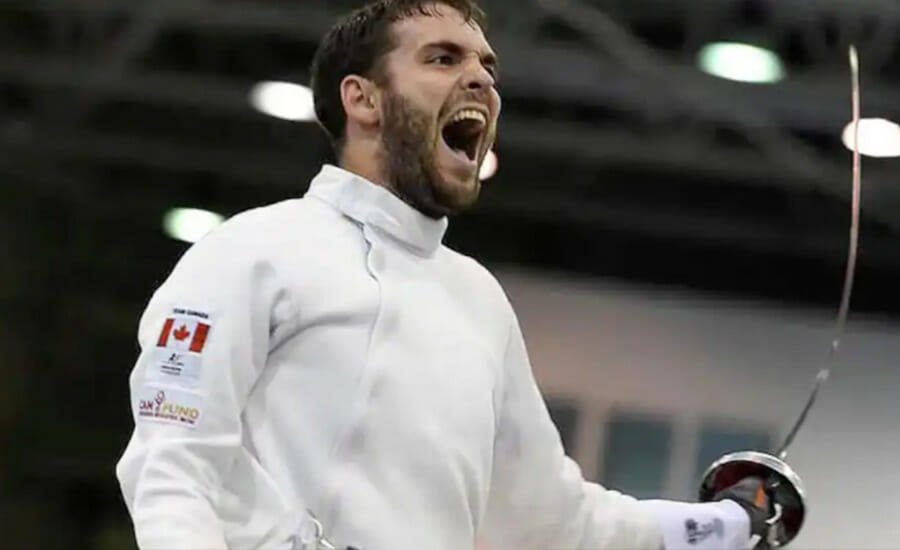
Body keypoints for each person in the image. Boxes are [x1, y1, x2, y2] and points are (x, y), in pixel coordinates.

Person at [115, 1, 785, 549]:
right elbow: (174, 465)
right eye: (443, 58)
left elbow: (551, 518)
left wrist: (727, 524)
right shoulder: (252, 250)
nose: (482, 81)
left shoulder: (478, 302)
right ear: (363, 100)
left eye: (488, 69)